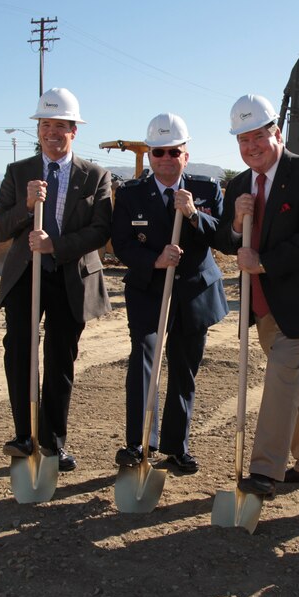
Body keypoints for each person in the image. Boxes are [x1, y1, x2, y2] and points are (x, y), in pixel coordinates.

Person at [213, 94, 299, 499]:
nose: (251, 146)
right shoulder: (238, 184)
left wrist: (264, 263)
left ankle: (264, 472)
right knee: (289, 380)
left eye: (258, 136)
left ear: (276, 132)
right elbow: (224, 239)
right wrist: (237, 223)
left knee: (280, 375)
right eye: (243, 140)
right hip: (265, 308)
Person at [0, 88, 113, 472]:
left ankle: (52, 442)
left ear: (74, 130)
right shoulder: (18, 172)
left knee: (60, 360)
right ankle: (24, 435)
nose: (52, 133)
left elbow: (100, 230)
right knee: (20, 354)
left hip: (70, 277)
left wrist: (55, 246)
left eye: (60, 126)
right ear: (38, 130)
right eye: (46, 125)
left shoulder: (95, 176)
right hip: (26, 275)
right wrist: (26, 208)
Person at [110, 113, 228, 474]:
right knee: (143, 359)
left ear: (185, 155)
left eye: (173, 152)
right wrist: (155, 260)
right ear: (149, 156)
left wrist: (193, 215)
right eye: (158, 152)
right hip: (149, 290)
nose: (165, 158)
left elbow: (223, 237)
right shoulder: (131, 194)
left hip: (194, 292)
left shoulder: (206, 189)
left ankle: (177, 448)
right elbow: (121, 243)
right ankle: (139, 441)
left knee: (183, 368)